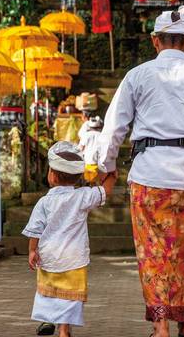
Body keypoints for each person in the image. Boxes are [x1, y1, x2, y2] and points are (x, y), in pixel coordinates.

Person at [97, 5, 184, 337]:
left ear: (154, 41)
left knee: (154, 252)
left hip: (149, 175)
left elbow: (113, 128)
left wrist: (107, 167)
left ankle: (160, 324)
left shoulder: (137, 76)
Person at [22, 141, 117, 336]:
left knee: (49, 290)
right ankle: (64, 329)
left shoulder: (44, 202)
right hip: (74, 257)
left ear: (52, 176)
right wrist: (111, 175)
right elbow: (105, 191)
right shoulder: (83, 196)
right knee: (71, 295)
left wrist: (32, 250)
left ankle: (48, 319)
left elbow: (35, 230)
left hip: (49, 255)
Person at [78, 116, 104, 184]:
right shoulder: (101, 135)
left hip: (87, 160)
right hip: (98, 161)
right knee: (96, 181)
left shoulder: (86, 135)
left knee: (87, 179)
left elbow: (81, 147)